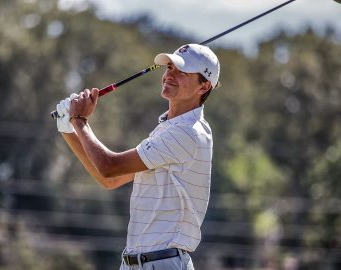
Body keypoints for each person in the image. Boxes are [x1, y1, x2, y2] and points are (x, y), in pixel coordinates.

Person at [55, 44, 220, 270]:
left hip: (162, 264)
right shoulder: (169, 129)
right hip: (137, 263)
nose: (170, 75)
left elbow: (109, 166)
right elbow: (109, 180)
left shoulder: (187, 132)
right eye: (169, 67)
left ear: (204, 86)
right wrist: (69, 129)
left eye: (182, 72)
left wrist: (79, 121)